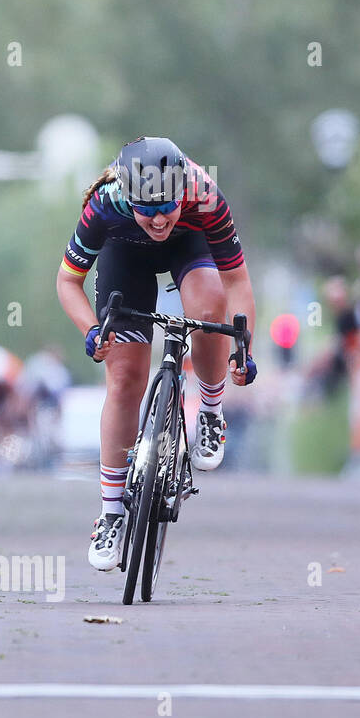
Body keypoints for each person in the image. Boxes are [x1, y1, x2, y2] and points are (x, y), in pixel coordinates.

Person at [56, 136, 257, 571]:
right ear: (129, 196)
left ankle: (209, 409)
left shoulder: (203, 195)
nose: (160, 218)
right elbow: (67, 282)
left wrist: (244, 349)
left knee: (207, 306)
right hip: (124, 255)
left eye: (167, 206)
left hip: (192, 247)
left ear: (181, 191)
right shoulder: (105, 204)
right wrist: (92, 330)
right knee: (125, 379)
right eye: (147, 208)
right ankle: (111, 514)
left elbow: (238, 283)